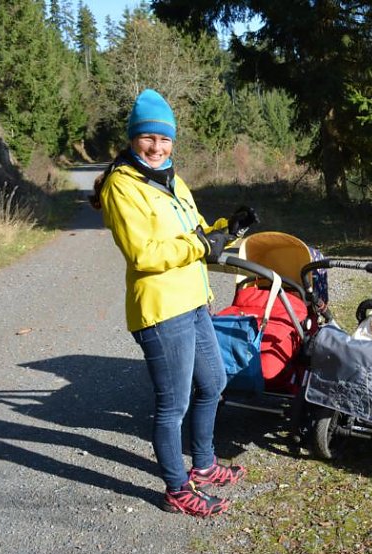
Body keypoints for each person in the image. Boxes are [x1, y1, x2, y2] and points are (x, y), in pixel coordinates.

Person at [92, 89, 258, 517]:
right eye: (148, 138)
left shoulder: (173, 179)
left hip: (194, 300)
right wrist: (200, 244)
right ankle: (176, 489)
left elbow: (197, 231)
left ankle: (203, 465)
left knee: (214, 382)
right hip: (161, 309)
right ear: (133, 138)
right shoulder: (120, 186)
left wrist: (226, 228)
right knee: (173, 404)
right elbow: (143, 254)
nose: (156, 147)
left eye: (164, 140)